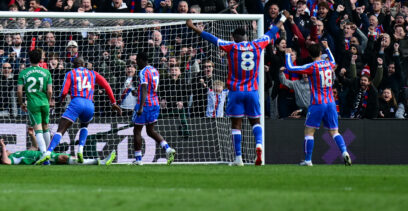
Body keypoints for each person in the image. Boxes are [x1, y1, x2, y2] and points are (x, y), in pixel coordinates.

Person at [187, 18, 278, 166]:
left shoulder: (231, 46)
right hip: (252, 91)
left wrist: (192, 26)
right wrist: (283, 18)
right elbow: (272, 32)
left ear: (234, 38)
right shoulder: (257, 44)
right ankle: (259, 145)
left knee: (236, 124)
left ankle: (238, 158)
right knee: (255, 121)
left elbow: (211, 38)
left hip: (236, 91)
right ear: (247, 37)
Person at [36, 58, 118, 165]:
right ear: (84, 64)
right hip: (89, 104)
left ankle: (47, 152)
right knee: (84, 126)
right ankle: (80, 150)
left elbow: (64, 91)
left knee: (61, 129)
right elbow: (106, 85)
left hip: (77, 102)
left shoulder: (70, 73)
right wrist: (113, 103)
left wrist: (60, 102)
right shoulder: (92, 73)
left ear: (73, 65)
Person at [285, 41, 352, 166]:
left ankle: (308, 160)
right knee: (334, 132)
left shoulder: (311, 66)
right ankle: (344, 152)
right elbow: (333, 59)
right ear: (320, 53)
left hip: (317, 103)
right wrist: (327, 47)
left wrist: (287, 55)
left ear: (310, 54)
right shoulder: (329, 64)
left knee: (309, 132)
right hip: (331, 102)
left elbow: (291, 68)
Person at [130, 47, 175, 164]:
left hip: (145, 105)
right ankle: (168, 148)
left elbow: (145, 88)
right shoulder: (155, 70)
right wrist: (138, 92)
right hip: (155, 103)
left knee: (137, 131)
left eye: (136, 61)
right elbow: (150, 88)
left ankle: (138, 159)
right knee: (150, 131)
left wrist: (140, 107)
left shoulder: (143, 72)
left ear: (141, 60)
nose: (136, 63)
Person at [17, 48, 52, 153]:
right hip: (45, 102)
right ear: (40, 59)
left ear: (29, 59)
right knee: (46, 126)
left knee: (38, 129)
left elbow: (19, 91)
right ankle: (49, 153)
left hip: (33, 103)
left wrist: (21, 103)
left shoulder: (23, 73)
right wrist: (48, 101)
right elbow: (50, 91)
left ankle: (43, 154)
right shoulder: (46, 72)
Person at [0, 137, 115, 165]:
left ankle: (97, 161)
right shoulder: (11, 159)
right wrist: (2, 146)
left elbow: (34, 146)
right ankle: (98, 161)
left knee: (67, 157)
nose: (7, 149)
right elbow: (6, 162)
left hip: (42, 155)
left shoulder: (18, 154)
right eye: (4, 151)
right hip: (41, 159)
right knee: (64, 158)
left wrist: (32, 135)